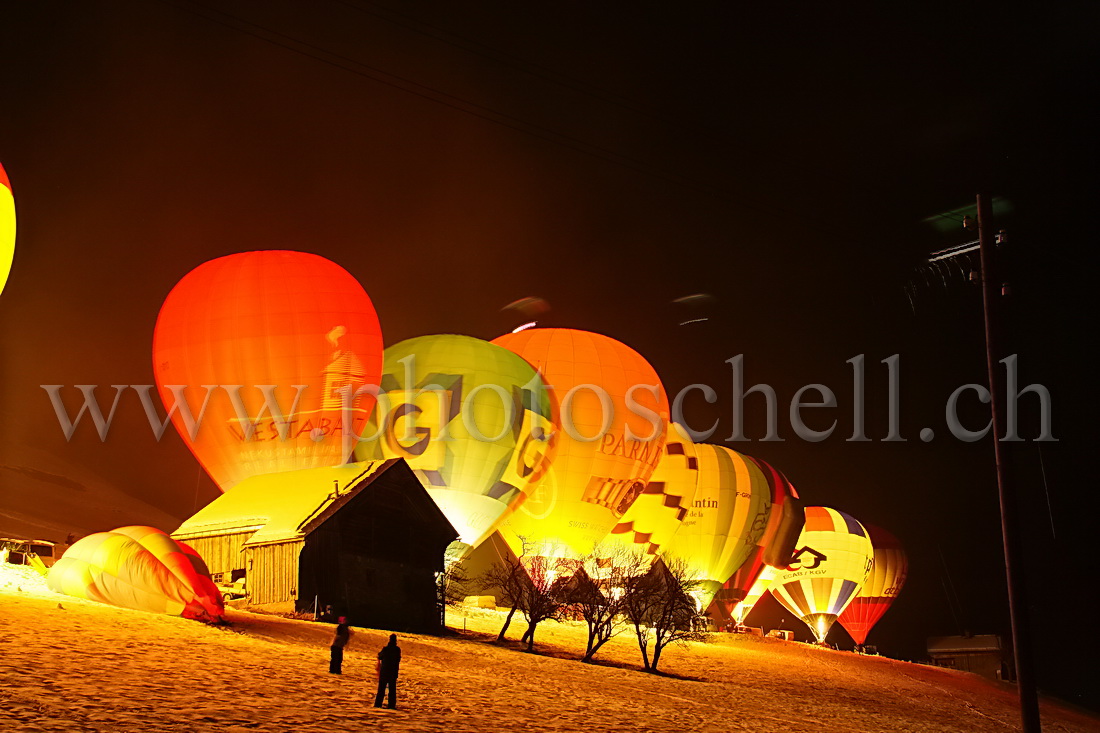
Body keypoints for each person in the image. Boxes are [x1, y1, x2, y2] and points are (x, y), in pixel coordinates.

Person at [374, 634, 401, 709]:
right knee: (392, 690)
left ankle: (378, 704)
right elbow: (398, 660)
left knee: (381, 690)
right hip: (393, 672)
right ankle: (391, 705)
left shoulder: (386, 649)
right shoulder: (397, 650)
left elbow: (380, 656)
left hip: (384, 672)